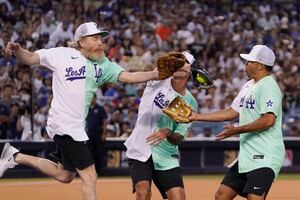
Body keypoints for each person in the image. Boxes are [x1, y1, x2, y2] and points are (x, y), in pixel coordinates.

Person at [1, 22, 159, 200]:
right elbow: (30, 58)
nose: (100, 42)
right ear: (81, 41)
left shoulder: (103, 65)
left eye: (101, 39)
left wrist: (153, 74)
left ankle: (15, 156)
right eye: (95, 38)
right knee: (90, 176)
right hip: (63, 124)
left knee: (65, 175)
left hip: (76, 128)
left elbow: (129, 76)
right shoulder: (62, 55)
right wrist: (17, 50)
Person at [188, 45, 285, 200]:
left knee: (254, 197)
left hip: (265, 155)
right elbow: (230, 112)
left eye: (249, 62)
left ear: (260, 65)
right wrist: (196, 117)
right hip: (248, 155)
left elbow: (269, 120)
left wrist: (237, 130)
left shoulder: (269, 86)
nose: (245, 65)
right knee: (222, 195)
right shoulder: (249, 85)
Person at [124, 52, 198, 200]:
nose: (176, 65)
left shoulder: (189, 102)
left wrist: (167, 132)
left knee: (178, 197)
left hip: (166, 155)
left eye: (182, 63)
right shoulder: (157, 80)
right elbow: (158, 69)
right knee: (142, 192)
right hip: (140, 148)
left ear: (189, 71)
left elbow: (178, 138)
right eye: (175, 62)